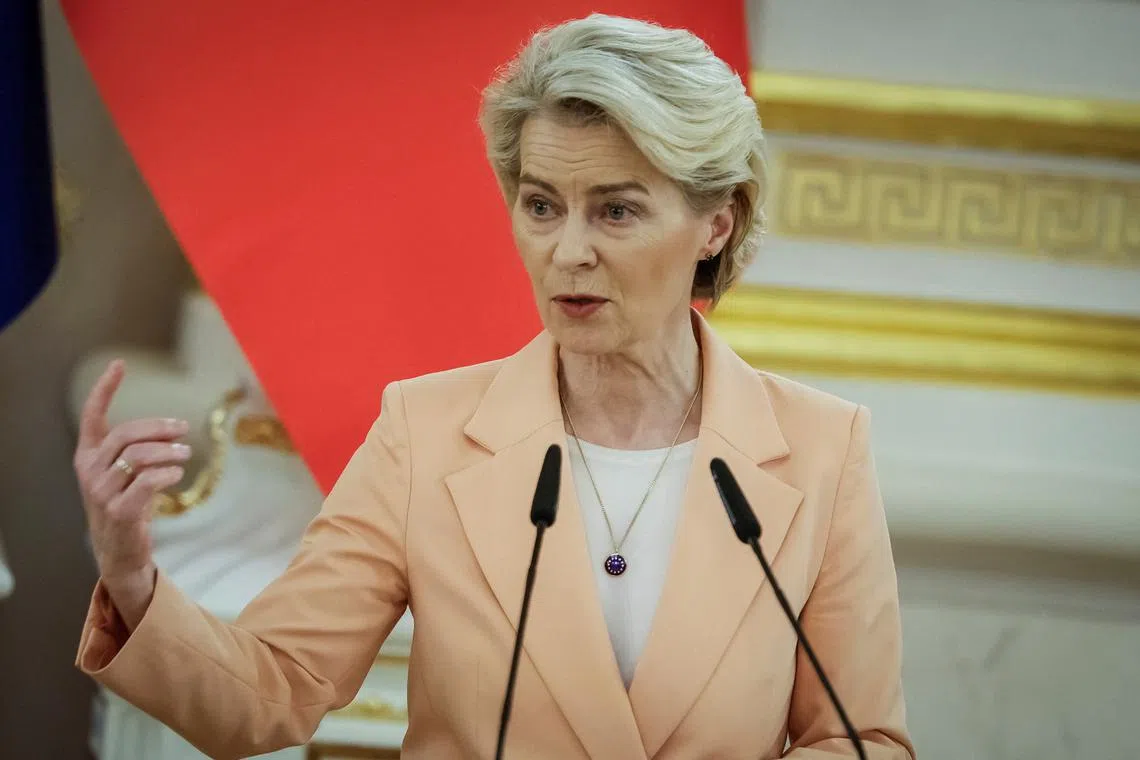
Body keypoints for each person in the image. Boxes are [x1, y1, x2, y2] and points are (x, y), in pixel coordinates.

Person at [73, 13, 915, 760]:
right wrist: (135, 581)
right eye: (542, 205)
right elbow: (270, 696)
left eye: (615, 211)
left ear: (715, 222)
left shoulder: (821, 449)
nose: (568, 250)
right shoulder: (425, 432)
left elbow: (861, 735)